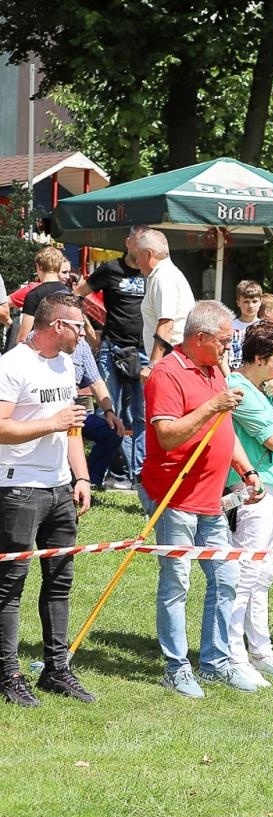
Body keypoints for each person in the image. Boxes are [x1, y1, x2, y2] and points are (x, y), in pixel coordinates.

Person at [142, 301, 265, 698]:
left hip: (213, 497)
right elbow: (168, 436)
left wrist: (246, 471)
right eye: (225, 341)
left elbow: (222, 432)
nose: (229, 349)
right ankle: (176, 667)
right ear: (200, 339)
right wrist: (213, 405)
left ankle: (215, 662)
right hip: (173, 496)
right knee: (177, 580)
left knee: (225, 578)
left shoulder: (215, 370)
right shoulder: (166, 374)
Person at [0, 292, 96, 705]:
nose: (84, 334)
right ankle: (8, 674)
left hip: (60, 489)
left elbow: (70, 426)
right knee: (10, 585)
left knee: (60, 581)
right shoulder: (12, 366)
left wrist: (82, 476)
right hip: (18, 488)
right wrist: (50, 422)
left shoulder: (66, 364)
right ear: (57, 325)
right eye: (78, 326)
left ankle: (57, 670)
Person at [223, 322, 273, 688]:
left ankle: (260, 649)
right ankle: (232, 652)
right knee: (245, 571)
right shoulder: (238, 388)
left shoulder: (272, 391)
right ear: (259, 358)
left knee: (265, 572)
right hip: (253, 490)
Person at [78, 228, 149, 486]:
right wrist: (88, 330)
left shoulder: (152, 272)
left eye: (145, 242)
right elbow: (78, 294)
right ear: (127, 242)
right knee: (110, 410)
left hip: (144, 350)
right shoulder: (110, 269)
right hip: (113, 348)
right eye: (137, 241)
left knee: (141, 414)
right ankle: (111, 472)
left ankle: (139, 474)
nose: (140, 246)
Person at [135, 228, 195, 360]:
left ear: (149, 254)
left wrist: (153, 365)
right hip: (173, 357)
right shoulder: (163, 274)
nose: (136, 261)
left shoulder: (163, 277)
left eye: (138, 255)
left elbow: (166, 324)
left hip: (171, 359)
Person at [229, 279, 263, 367]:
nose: (250, 306)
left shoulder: (265, 327)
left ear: (260, 302)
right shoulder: (230, 326)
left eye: (254, 301)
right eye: (246, 302)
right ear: (238, 303)